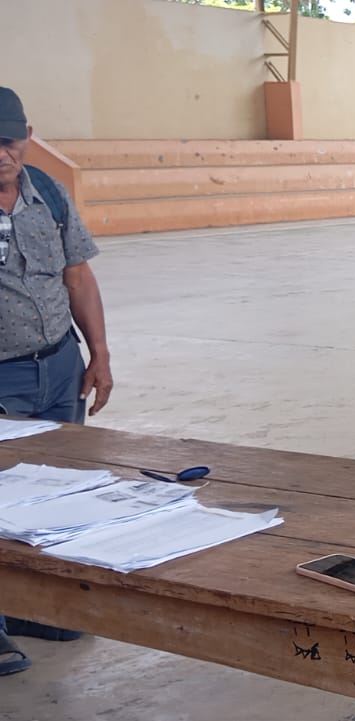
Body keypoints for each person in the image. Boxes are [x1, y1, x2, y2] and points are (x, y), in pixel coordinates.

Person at [0, 86, 113, 677]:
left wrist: (99, 353)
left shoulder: (47, 192)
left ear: (27, 136)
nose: (1, 154)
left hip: (60, 369)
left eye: (9, 141)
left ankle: (29, 607)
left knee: (52, 494)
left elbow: (78, 277)